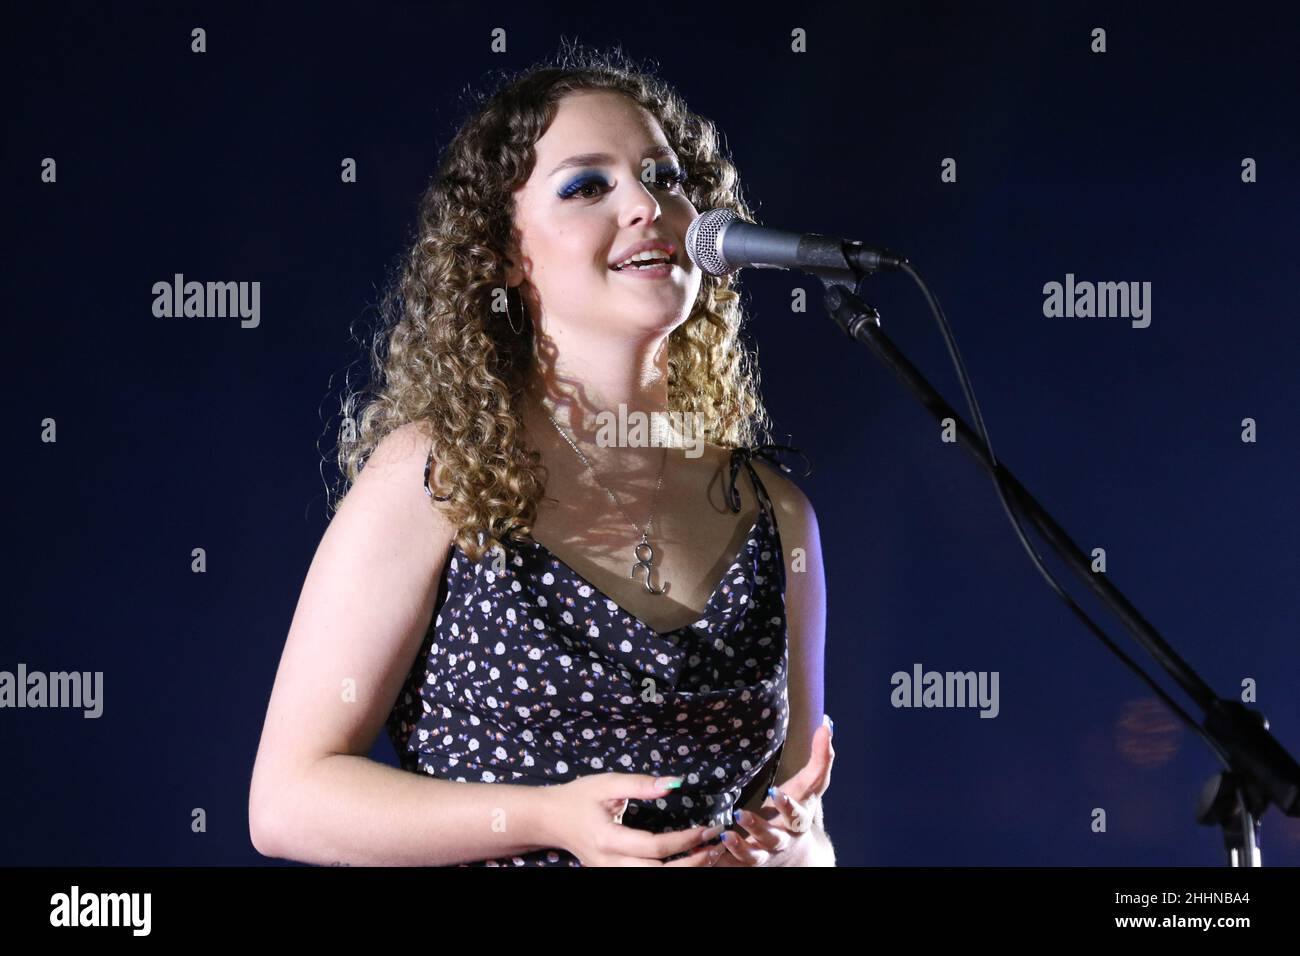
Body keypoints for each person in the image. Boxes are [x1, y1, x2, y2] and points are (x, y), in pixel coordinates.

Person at [248, 42, 834, 867]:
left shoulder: (776, 516)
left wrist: (802, 853)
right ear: (504, 256)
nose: (648, 205)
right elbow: (287, 800)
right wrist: (544, 818)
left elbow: (796, 810)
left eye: (664, 178)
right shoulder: (436, 476)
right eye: (588, 186)